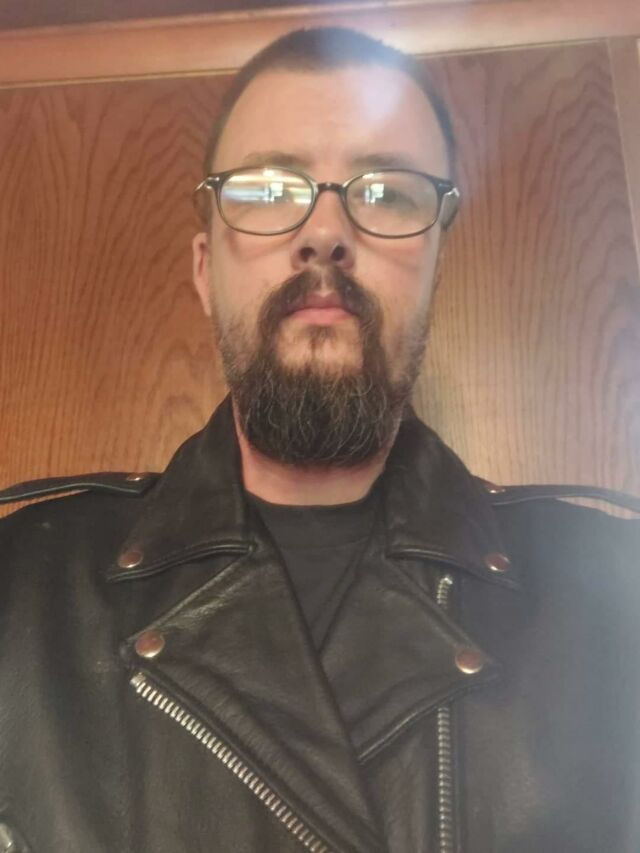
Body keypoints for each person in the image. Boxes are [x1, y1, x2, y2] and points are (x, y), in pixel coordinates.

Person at [0, 25, 639, 853]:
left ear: (434, 267)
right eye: (268, 189)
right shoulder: (20, 586)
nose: (326, 230)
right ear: (205, 270)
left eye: (388, 192)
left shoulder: (614, 593)